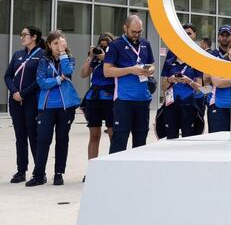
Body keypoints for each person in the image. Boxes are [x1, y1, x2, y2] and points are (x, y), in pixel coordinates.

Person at [26, 32, 80, 187]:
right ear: (49, 45)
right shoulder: (43, 61)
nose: (58, 46)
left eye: (60, 43)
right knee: (43, 140)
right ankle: (38, 174)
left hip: (65, 107)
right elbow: (41, 82)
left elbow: (68, 71)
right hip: (47, 106)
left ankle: (58, 173)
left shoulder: (69, 59)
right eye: (55, 43)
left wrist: (63, 53)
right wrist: (58, 79)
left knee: (62, 140)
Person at [105, 15, 156, 154]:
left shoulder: (146, 43)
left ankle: (137, 174)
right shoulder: (116, 45)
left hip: (143, 99)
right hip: (124, 100)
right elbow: (107, 71)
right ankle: (115, 174)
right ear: (125, 28)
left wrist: (150, 69)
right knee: (120, 139)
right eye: (133, 32)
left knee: (141, 141)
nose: (136, 35)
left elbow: (152, 65)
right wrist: (131, 70)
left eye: (139, 32)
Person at [5, 26, 45, 184]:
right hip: (15, 101)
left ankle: (39, 172)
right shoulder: (17, 54)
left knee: (33, 135)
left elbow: (39, 79)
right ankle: (21, 170)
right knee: (20, 136)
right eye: (21, 35)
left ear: (34, 37)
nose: (21, 37)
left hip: (31, 100)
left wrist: (24, 93)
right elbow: (7, 76)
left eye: (25, 35)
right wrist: (15, 92)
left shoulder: (42, 55)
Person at [160, 32, 204, 139]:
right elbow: (163, 86)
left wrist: (189, 81)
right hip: (171, 104)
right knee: (171, 137)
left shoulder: (195, 61)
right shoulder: (169, 61)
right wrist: (170, 80)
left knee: (188, 138)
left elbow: (200, 89)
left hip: (188, 104)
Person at [80, 33, 114, 166]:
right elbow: (83, 74)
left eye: (107, 42)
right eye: (102, 42)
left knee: (113, 134)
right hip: (94, 97)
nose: (104, 45)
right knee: (94, 135)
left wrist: (105, 57)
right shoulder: (95, 57)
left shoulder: (114, 56)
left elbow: (117, 67)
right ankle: (92, 168)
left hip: (110, 97)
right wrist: (90, 57)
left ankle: (114, 168)